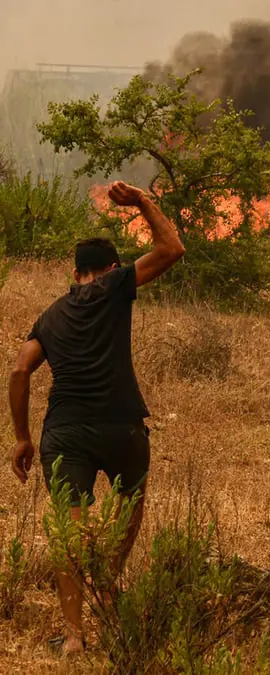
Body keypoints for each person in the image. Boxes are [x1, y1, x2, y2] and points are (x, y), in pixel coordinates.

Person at [8, 182, 186, 655]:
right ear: (110, 270)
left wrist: (23, 438)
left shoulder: (50, 316)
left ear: (74, 273)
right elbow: (172, 249)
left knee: (70, 531)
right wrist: (145, 202)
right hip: (122, 427)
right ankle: (108, 581)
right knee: (130, 508)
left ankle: (73, 636)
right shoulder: (114, 285)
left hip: (64, 434)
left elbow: (20, 370)